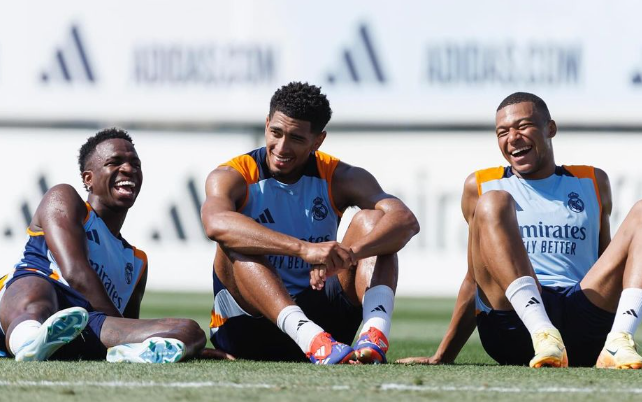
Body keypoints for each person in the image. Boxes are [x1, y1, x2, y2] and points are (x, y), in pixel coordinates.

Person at [397, 92, 642, 369]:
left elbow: (607, 263)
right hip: (517, 327)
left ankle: (619, 340)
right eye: (502, 132)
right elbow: (474, 277)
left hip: (582, 322)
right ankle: (543, 333)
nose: (512, 137)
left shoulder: (593, 181)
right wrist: (442, 356)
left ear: (550, 129)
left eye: (523, 126)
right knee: (494, 201)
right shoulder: (481, 185)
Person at [201, 82, 419, 364]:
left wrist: (349, 255)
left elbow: (405, 221)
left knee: (374, 221)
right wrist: (304, 250)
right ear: (267, 124)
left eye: (296, 138)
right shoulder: (233, 174)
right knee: (233, 240)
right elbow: (215, 224)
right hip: (248, 330)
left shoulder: (340, 175)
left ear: (318, 141)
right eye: (275, 133)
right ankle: (310, 338)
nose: (281, 147)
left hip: (326, 327)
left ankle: (373, 336)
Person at [0, 128, 207, 362]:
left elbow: (126, 322)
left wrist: (178, 341)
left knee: (191, 330)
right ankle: (29, 343)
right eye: (115, 162)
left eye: (135, 164)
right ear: (88, 179)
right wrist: (122, 330)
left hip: (87, 326)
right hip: (27, 308)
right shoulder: (64, 198)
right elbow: (76, 273)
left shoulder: (137, 261)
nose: (128, 169)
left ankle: (132, 354)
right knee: (38, 288)